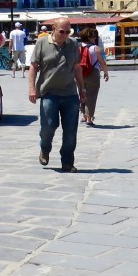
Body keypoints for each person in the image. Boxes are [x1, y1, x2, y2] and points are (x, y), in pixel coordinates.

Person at [28, 19, 87, 172]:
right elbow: (33, 67)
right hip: (49, 93)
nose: (65, 35)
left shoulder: (73, 44)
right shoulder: (42, 43)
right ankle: (45, 148)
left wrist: (82, 89)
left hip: (70, 94)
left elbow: (77, 68)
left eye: (68, 32)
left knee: (70, 130)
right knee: (48, 126)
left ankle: (67, 162)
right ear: (53, 29)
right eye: (62, 31)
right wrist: (32, 89)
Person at [78, 25, 109, 126]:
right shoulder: (95, 48)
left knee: (82, 93)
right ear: (89, 37)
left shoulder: (78, 47)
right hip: (93, 73)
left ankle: (83, 116)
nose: (95, 38)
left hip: (80, 73)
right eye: (93, 36)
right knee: (92, 95)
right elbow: (102, 62)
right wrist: (105, 73)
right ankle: (89, 118)